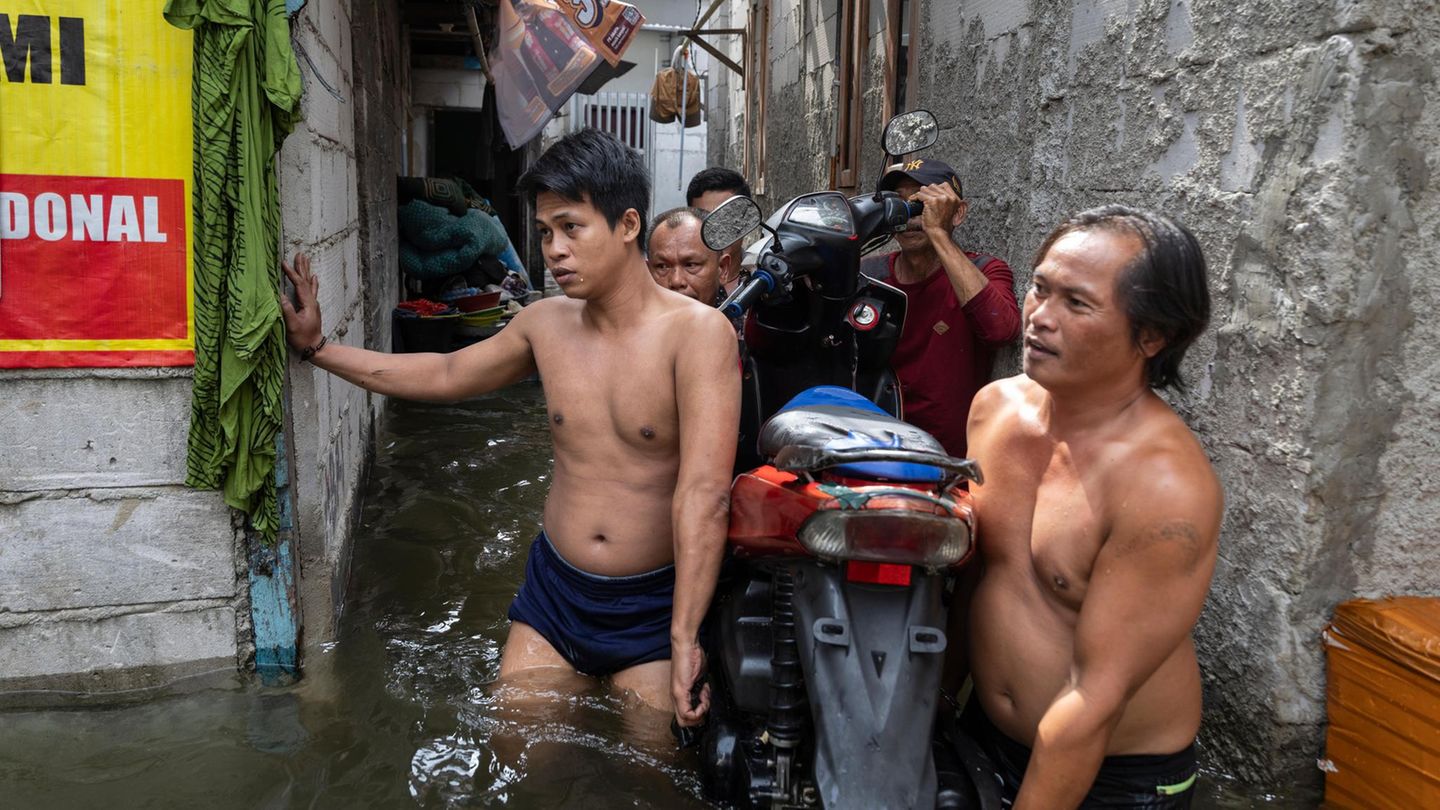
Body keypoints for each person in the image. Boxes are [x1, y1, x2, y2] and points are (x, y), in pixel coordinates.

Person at [279, 129, 740, 729]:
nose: (553, 249)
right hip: (555, 595)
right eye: (546, 232)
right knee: (516, 750)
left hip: (652, 606)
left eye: (572, 227)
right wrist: (317, 348)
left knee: (649, 771)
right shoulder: (545, 324)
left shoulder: (699, 334)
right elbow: (445, 372)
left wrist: (684, 637)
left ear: (627, 225)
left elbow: (705, 495)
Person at [961, 206, 1221, 807]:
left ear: (1152, 336)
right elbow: (980, 575)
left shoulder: (1164, 486)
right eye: (1039, 288)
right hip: (983, 735)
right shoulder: (994, 410)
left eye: (1076, 304)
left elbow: (1094, 699)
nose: (1040, 319)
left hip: (1115, 776)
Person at [860, 158, 1021, 458]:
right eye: (902, 205)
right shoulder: (871, 274)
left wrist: (938, 233)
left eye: (922, 204)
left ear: (957, 213)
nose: (911, 216)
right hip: (876, 450)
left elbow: (1001, 330)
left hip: (949, 460)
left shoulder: (984, 271)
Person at [685, 167, 752, 296]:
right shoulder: (676, 282)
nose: (717, 229)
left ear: (746, 220)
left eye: (726, 217)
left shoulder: (765, 282)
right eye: (706, 219)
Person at [647, 207, 731, 306]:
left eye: (690, 265)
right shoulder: (629, 320)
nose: (676, 281)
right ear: (647, 272)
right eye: (662, 267)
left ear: (722, 269)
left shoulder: (747, 319)